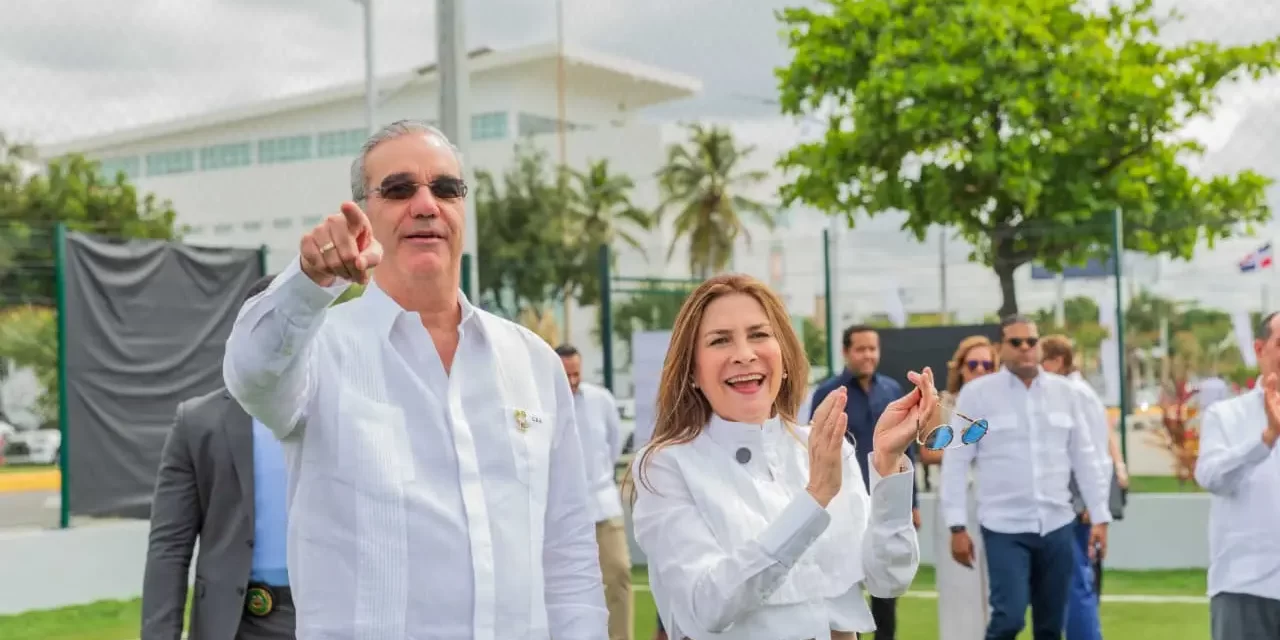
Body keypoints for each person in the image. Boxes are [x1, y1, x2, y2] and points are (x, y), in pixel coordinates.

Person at [222, 120, 607, 639]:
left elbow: (568, 554)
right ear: (363, 214)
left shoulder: (533, 362)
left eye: (446, 188)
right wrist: (309, 284)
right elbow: (250, 373)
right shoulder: (320, 349)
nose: (426, 204)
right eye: (400, 189)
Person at [630, 274, 927, 640]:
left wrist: (887, 464)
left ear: (784, 355)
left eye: (759, 334)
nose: (743, 354)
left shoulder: (824, 446)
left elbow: (888, 579)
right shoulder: (665, 466)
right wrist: (814, 497)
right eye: (720, 340)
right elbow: (707, 604)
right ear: (692, 370)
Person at [142, 274, 297, 640]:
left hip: (329, 617)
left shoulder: (342, 414)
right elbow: (169, 547)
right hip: (233, 624)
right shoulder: (197, 423)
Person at [940, 315, 1112, 640]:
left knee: (1050, 627)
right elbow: (957, 461)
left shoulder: (1066, 393)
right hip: (1004, 527)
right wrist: (957, 526)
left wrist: (1100, 516)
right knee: (1009, 618)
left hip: (1058, 524)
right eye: (1016, 342)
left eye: (1031, 342)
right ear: (1001, 348)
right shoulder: (978, 395)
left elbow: (1086, 459)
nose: (1025, 349)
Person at [808, 324, 921, 640]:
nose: (868, 355)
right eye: (861, 349)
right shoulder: (828, 394)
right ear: (846, 352)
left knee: (886, 594)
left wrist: (909, 503)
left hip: (884, 500)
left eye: (873, 348)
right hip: (843, 505)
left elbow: (905, 448)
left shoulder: (891, 390)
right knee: (845, 585)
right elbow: (815, 447)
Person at [1194, 311, 1280, 640]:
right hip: (1247, 585)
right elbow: (1211, 477)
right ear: (1259, 349)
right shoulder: (1226, 415)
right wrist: (1266, 438)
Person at [1039, 334, 1119, 640]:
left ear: (1057, 361)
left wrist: (1091, 502)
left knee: (1075, 585)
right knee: (1070, 584)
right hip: (1075, 501)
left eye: (1041, 361)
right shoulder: (1078, 392)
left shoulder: (1074, 394)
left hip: (1075, 504)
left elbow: (1093, 453)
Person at [918, 335, 998, 640]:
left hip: (993, 501)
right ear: (961, 368)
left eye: (987, 365)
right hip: (955, 500)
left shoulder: (1001, 406)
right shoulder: (944, 404)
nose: (980, 370)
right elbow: (927, 451)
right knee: (958, 586)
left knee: (996, 588)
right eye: (973, 364)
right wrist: (965, 451)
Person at [556, 343, 633, 640]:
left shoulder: (602, 400)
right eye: (566, 374)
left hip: (603, 505)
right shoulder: (542, 402)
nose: (572, 380)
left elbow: (613, 446)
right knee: (562, 587)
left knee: (619, 574)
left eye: (576, 373)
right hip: (563, 513)